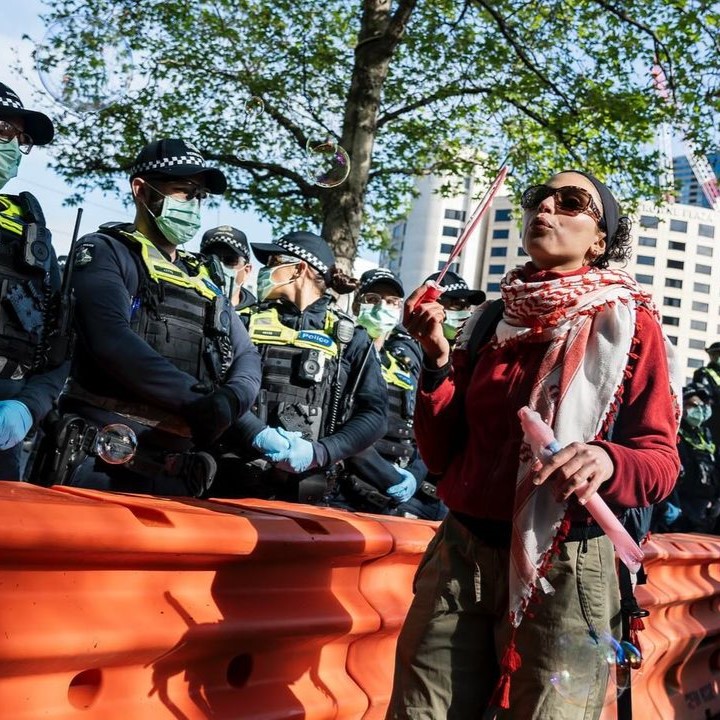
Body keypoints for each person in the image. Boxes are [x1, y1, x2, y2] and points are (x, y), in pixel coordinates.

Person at [386, 171, 681, 719]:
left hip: (567, 564)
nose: (546, 207)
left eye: (570, 203)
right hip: (460, 555)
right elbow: (442, 456)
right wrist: (437, 361)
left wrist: (607, 458)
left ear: (600, 239)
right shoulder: (489, 319)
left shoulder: (631, 325)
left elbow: (661, 462)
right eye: (536, 199)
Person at [29, 138, 261, 496]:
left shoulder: (204, 277)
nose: (194, 205)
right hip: (101, 465)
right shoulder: (106, 250)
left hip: (181, 475)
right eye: (183, 192)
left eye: (200, 196)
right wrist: (197, 400)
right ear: (142, 190)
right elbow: (110, 339)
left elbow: (246, 356)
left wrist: (231, 399)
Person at [212, 230, 388, 504]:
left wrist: (322, 452)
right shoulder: (242, 321)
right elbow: (214, 385)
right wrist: (256, 434)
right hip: (234, 482)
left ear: (299, 269)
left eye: (272, 262)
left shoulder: (352, 337)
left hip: (310, 493)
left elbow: (375, 414)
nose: (264, 270)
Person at [333, 268, 446, 519]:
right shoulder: (340, 352)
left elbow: (424, 427)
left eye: (392, 301)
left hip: (396, 501)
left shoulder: (405, 359)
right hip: (345, 492)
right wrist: (388, 478)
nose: (383, 307)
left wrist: (413, 478)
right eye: (373, 299)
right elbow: (339, 425)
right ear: (355, 306)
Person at [0, 82, 70, 479]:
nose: (12, 145)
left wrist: (29, 407)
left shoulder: (31, 230)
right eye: (2, 131)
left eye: (20, 138)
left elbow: (59, 341)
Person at [654, 384, 720, 534]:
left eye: (703, 405)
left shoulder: (706, 435)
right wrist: (667, 507)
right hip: (681, 507)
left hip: (705, 508)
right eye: (695, 405)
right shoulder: (674, 434)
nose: (701, 409)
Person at [422, 269, 485, 344]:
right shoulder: (410, 345)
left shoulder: (466, 348)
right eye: (458, 304)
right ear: (430, 303)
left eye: (468, 306)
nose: (466, 312)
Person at [200, 225, 256, 309]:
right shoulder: (186, 303)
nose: (219, 265)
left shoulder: (257, 318)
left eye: (230, 260)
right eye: (209, 258)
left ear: (246, 271)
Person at [693, 341, 720, 451]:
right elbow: (705, 396)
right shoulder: (703, 373)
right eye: (715, 354)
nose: (717, 357)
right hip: (713, 423)